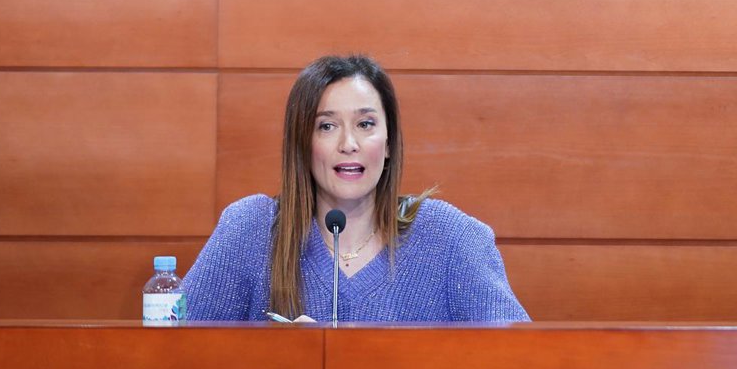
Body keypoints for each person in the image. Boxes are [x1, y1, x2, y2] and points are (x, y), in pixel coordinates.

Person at [185, 54, 530, 322]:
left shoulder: (449, 238)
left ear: (389, 142)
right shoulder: (251, 229)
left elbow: (522, 362)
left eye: (365, 124)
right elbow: (174, 355)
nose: (349, 144)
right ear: (302, 144)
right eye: (327, 126)